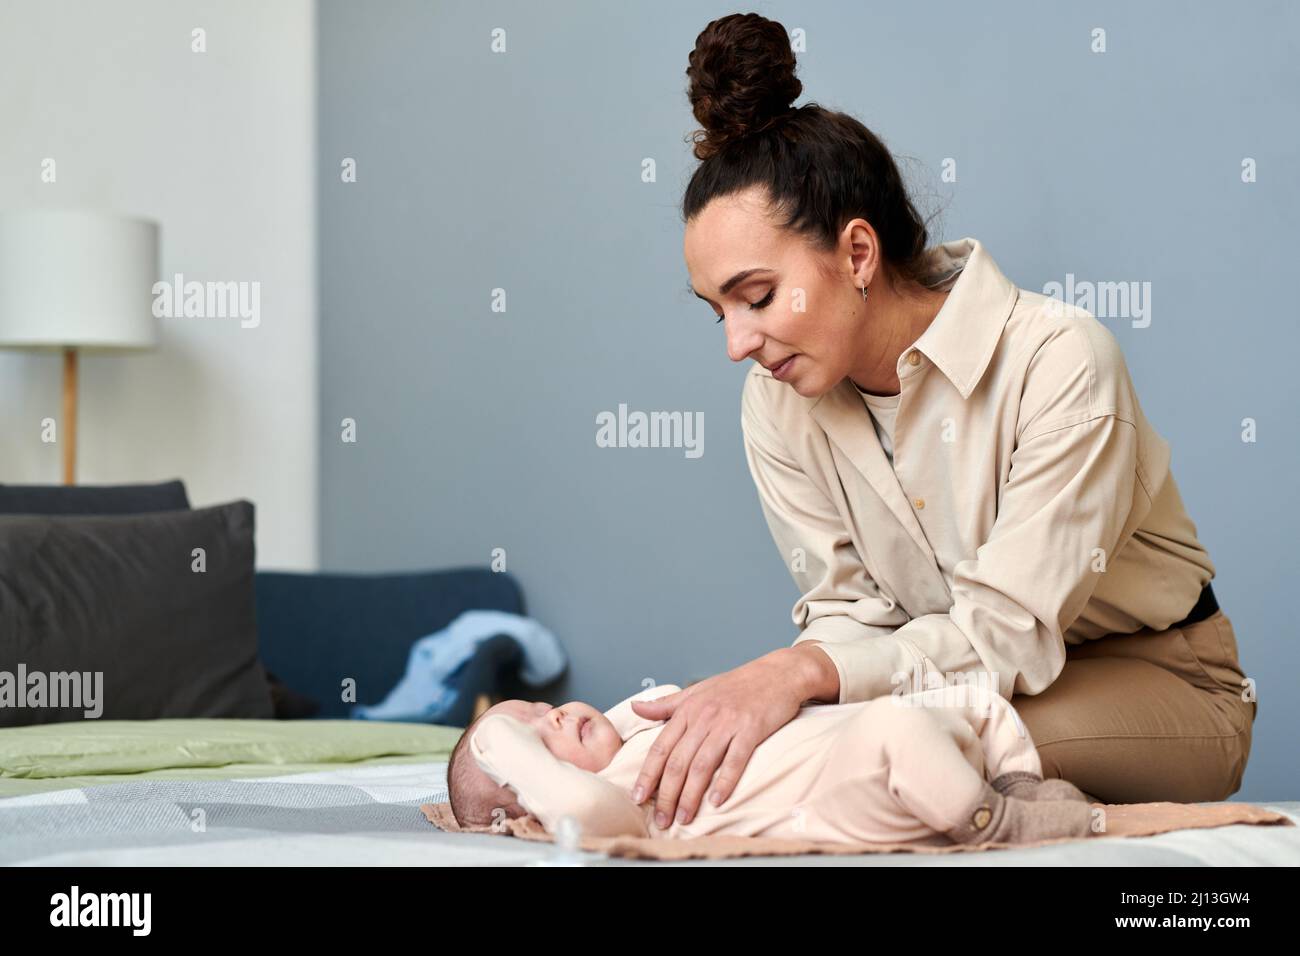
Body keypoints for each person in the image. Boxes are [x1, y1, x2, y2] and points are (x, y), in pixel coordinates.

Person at [628, 11, 1255, 831]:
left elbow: (1007, 633)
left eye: (757, 298)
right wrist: (795, 686)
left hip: (1162, 678)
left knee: (895, 752)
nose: (739, 345)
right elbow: (848, 612)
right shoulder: (779, 403)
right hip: (953, 687)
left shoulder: (1060, 359)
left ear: (858, 255)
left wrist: (802, 676)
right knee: (834, 746)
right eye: (720, 314)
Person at [445, 682, 1095, 847]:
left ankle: (1019, 787)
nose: (551, 717)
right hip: (852, 785)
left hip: (868, 737)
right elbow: (580, 811)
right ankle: (995, 823)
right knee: (896, 725)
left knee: (973, 700)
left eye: (541, 707)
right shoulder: (611, 800)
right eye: (534, 738)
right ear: (532, 791)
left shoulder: (636, 730)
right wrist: (497, 745)